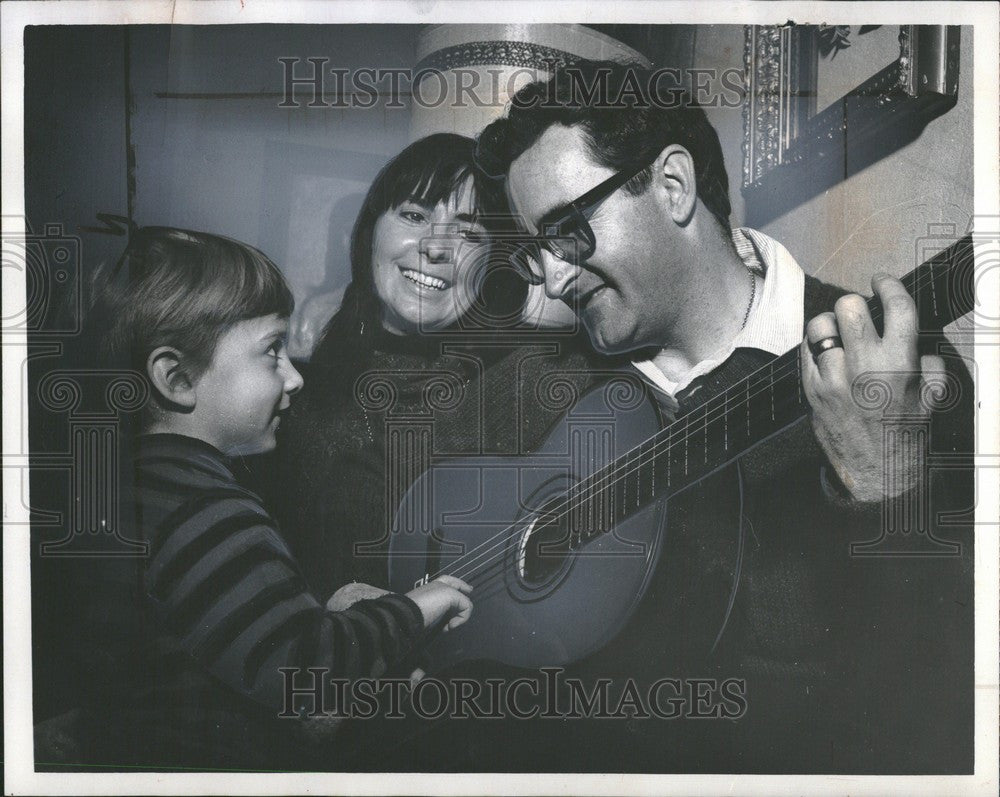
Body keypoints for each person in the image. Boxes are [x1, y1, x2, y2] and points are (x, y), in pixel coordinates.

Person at [469, 61, 974, 772]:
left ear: (672, 186)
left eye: (571, 231)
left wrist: (889, 484)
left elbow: (947, 721)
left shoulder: (895, 371)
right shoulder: (530, 386)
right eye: (535, 254)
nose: (553, 279)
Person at [61, 226, 474, 770]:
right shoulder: (207, 507)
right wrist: (420, 607)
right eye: (271, 352)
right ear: (177, 378)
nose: (294, 377)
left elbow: (230, 636)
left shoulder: (133, 489)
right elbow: (305, 667)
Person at [272, 133, 602, 602]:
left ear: (493, 262)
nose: (437, 247)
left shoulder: (539, 375)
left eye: (469, 233)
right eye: (414, 215)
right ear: (371, 231)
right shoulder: (313, 404)